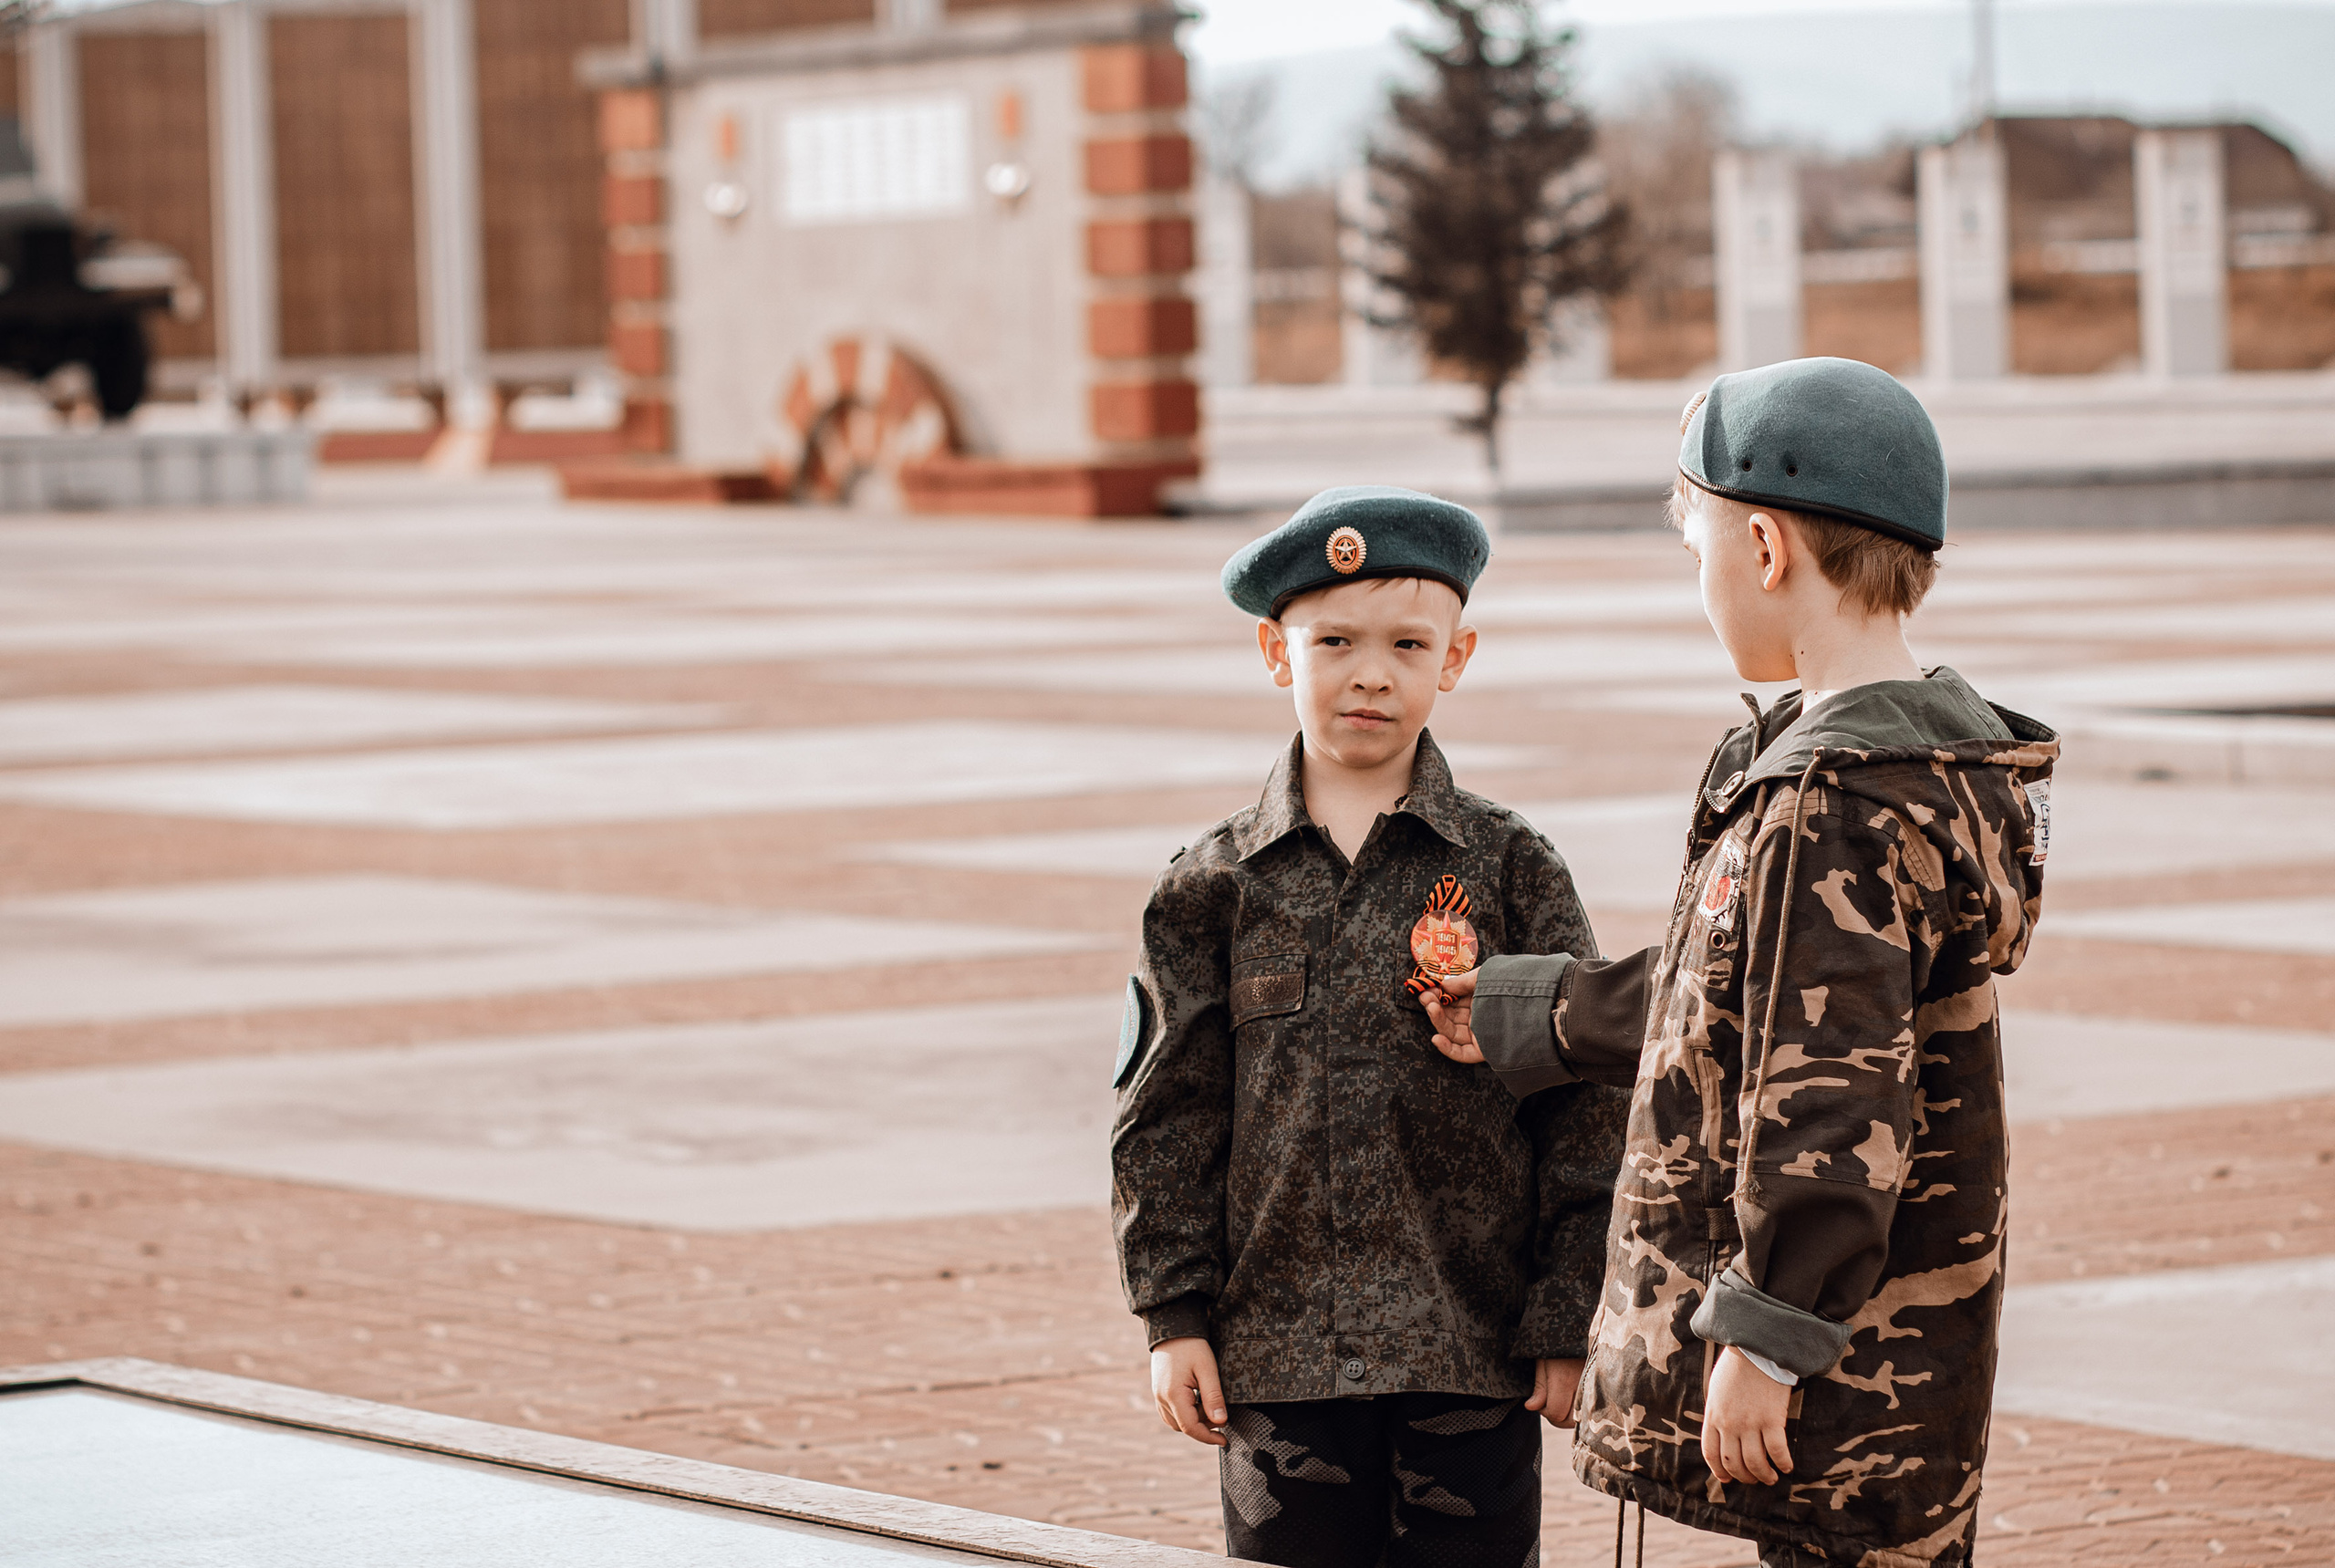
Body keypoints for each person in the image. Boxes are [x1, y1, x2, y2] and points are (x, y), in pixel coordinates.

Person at [1422, 358, 2059, 1568]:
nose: (1700, 582)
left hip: (1843, 1382)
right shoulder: (1900, 769)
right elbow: (1739, 987)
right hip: (1877, 1359)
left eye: (1697, 549)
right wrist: (1534, 1008)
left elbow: (1830, 1095)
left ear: (1763, 548)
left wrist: (1766, 1336)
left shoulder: (1834, 803)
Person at [1110, 485, 1628, 1567]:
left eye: (1407, 644)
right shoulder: (1211, 885)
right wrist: (1173, 1316)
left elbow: (1586, 1107)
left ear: (1455, 658)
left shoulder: (1509, 866)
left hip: (1469, 1351)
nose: (1371, 674)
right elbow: (1167, 1118)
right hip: (1278, 1362)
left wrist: (1566, 1314)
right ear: (1275, 651)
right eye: (1334, 641)